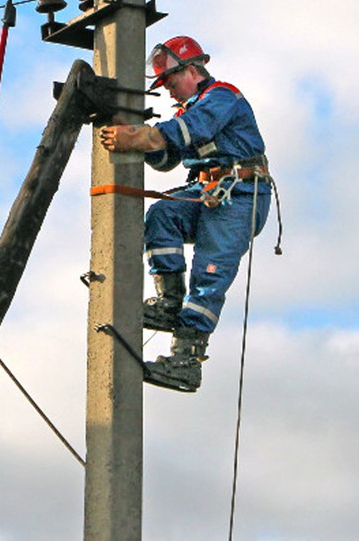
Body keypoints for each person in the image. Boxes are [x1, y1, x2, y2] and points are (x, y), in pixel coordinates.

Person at [99, 36, 271, 392]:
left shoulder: (222, 97)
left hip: (240, 194)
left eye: (172, 82)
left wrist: (138, 136)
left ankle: (186, 362)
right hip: (209, 192)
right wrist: (135, 134)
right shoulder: (187, 111)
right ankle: (169, 301)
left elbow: (190, 131)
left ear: (192, 70)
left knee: (210, 270)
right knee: (164, 215)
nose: (170, 92)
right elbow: (166, 159)